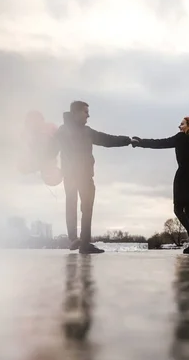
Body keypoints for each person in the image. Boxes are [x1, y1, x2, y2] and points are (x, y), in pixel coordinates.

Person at [131, 116, 189, 254]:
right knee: (188, 211)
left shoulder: (181, 137)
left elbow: (161, 143)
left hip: (183, 175)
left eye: (182, 124)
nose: (179, 126)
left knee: (178, 209)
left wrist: (140, 142)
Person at [50, 101, 131, 254]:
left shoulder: (85, 131)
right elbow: (50, 152)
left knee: (82, 208)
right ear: (75, 113)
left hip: (81, 175)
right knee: (75, 205)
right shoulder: (62, 132)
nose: (88, 115)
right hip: (74, 175)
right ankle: (77, 240)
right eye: (85, 112)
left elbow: (106, 139)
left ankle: (81, 242)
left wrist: (127, 140)